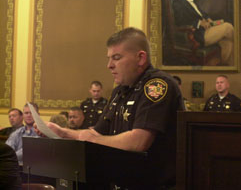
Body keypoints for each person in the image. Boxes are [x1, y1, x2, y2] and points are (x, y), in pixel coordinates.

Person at [36, 27, 184, 189]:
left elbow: (139, 141)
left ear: (141, 58)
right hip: (121, 180)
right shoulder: (120, 91)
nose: (109, 65)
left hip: (154, 184)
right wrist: (62, 133)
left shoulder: (157, 85)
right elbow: (96, 133)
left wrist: (93, 140)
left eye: (117, 58)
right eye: (109, 58)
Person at [172, 0, 234, 65]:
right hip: (197, 34)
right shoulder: (178, 3)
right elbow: (180, 21)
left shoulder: (193, 2)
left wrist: (208, 19)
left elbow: (202, 14)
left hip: (206, 29)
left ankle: (227, 67)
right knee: (228, 27)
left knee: (227, 42)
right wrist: (198, 23)